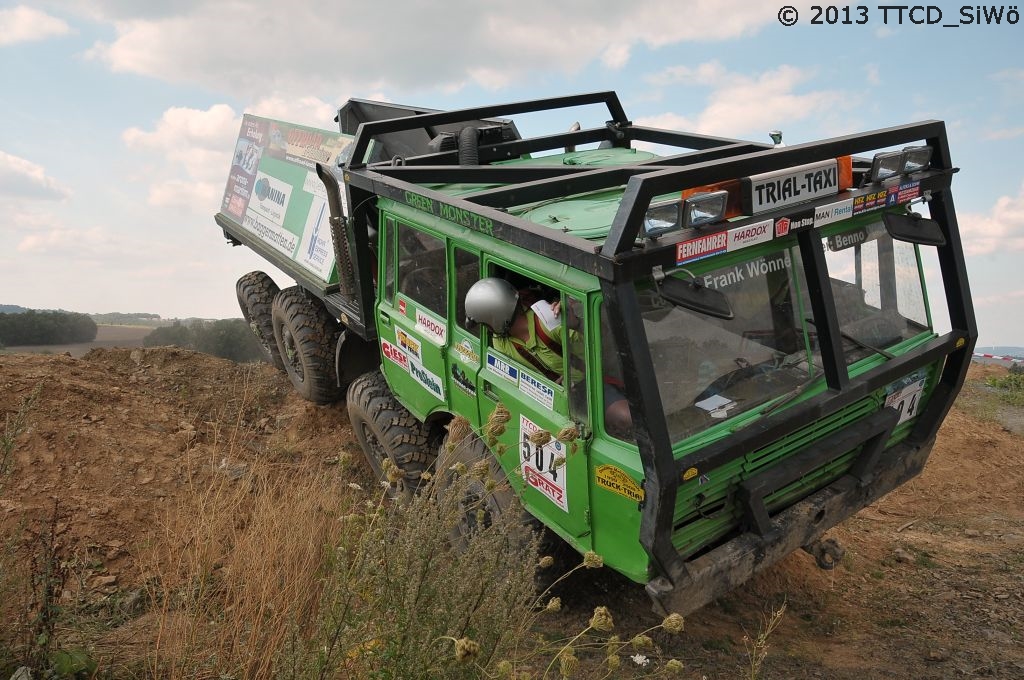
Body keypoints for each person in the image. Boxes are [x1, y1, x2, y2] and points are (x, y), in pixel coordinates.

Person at [465, 277, 633, 437]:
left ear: (497, 318)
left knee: (626, 417)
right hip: (552, 397)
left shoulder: (550, 322)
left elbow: (603, 340)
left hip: (590, 384)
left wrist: (577, 324)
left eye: (486, 324)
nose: (487, 330)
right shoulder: (501, 342)